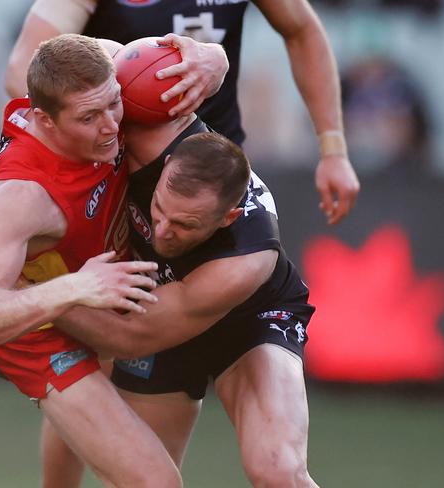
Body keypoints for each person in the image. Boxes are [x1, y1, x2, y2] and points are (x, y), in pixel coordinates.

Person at [0, 34, 187, 487]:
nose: (112, 126)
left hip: (97, 288)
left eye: (114, 103)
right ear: (44, 120)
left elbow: (146, 58)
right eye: (89, 118)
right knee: (158, 482)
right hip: (43, 332)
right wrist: (75, 287)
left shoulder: (100, 75)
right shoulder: (22, 194)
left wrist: (213, 59)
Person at [55, 123, 319, 486]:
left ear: (228, 217)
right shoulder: (146, 140)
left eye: (185, 224)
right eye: (159, 208)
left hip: (247, 321)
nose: (162, 230)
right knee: (150, 482)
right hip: (157, 302)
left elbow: (126, 336)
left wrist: (35, 296)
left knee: (277, 469)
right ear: (164, 166)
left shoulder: (245, 262)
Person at [5, 0, 360, 225]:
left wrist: (334, 151)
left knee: (227, 313)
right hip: (115, 172)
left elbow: (303, 31)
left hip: (213, 171)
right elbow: (25, 68)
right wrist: (125, 63)